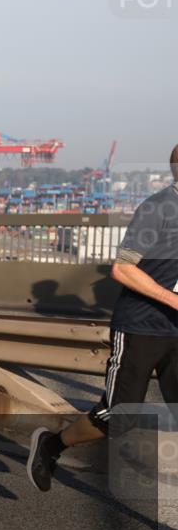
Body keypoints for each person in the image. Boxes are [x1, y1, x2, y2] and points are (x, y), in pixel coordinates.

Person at [28, 144, 178, 492]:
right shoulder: (158, 208)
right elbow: (123, 270)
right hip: (141, 327)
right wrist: (173, 300)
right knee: (118, 418)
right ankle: (52, 445)